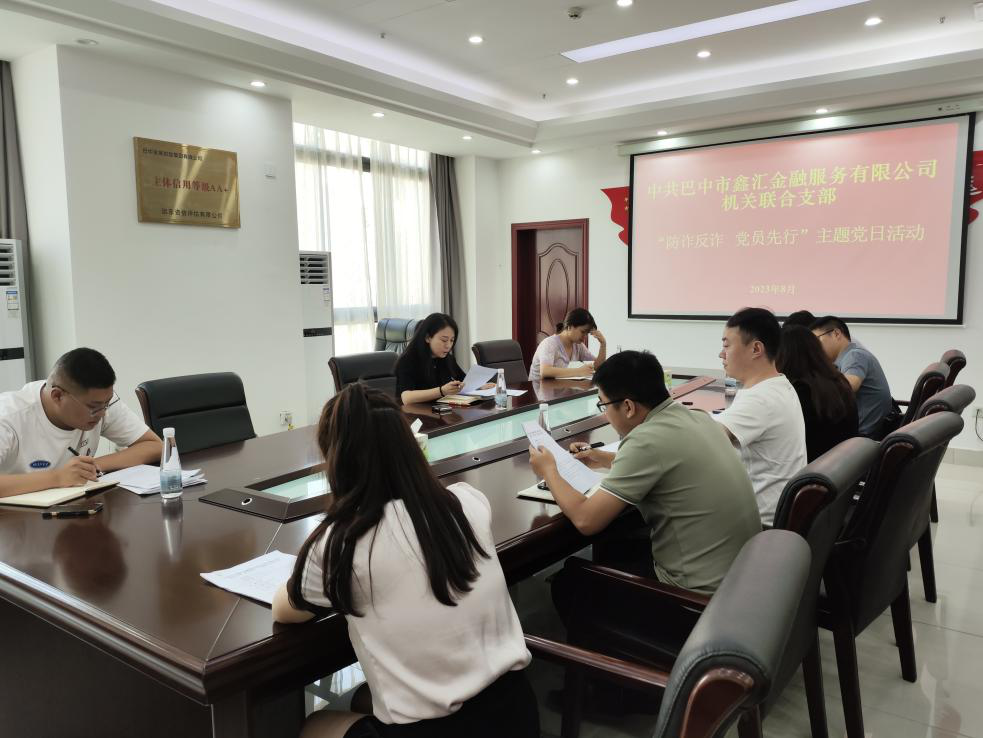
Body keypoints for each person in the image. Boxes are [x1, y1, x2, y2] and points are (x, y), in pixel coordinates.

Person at [272, 384, 538, 738]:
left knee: (315, 725)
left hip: (438, 731)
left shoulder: (341, 544)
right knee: (363, 698)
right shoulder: (466, 502)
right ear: (409, 447)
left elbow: (284, 610)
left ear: (336, 462)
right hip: (516, 715)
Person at [528, 350, 761, 595]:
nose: (604, 414)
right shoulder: (698, 418)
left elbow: (586, 520)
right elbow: (665, 462)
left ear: (628, 406)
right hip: (742, 581)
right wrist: (601, 458)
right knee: (617, 546)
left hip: (696, 597)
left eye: (603, 404)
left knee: (569, 583)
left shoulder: (646, 440)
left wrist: (549, 470)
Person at [0, 347, 163, 498]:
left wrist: (90, 466)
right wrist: (57, 477)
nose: (103, 413)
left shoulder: (100, 402)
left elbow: (155, 446)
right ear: (57, 396)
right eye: (93, 407)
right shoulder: (8, 417)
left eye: (106, 403)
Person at [713, 308, 807, 525]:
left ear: (756, 349)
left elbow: (704, 441)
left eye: (727, 346)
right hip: (776, 514)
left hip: (757, 525)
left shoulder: (760, 399)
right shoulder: (779, 385)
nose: (721, 354)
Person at [776, 326, 859, 461]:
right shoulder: (840, 382)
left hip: (810, 468)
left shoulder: (797, 393)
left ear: (783, 357)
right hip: (843, 466)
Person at [810, 315, 895, 438]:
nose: (815, 348)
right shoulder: (847, 358)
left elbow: (848, 387)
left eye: (817, 340)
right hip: (864, 434)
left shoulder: (854, 355)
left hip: (862, 438)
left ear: (836, 334)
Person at [395, 313, 488, 405]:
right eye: (444, 340)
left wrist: (479, 386)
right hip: (414, 412)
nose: (448, 346)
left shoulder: (447, 358)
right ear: (427, 337)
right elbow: (406, 397)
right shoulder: (407, 360)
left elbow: (463, 380)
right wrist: (441, 391)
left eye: (452, 340)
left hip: (440, 409)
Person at [528, 308, 606, 382]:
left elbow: (597, 367)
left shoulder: (578, 346)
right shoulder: (549, 343)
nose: (585, 337)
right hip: (537, 389)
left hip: (559, 388)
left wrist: (603, 344)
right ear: (569, 327)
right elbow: (545, 372)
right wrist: (578, 371)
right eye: (582, 332)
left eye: (587, 333)